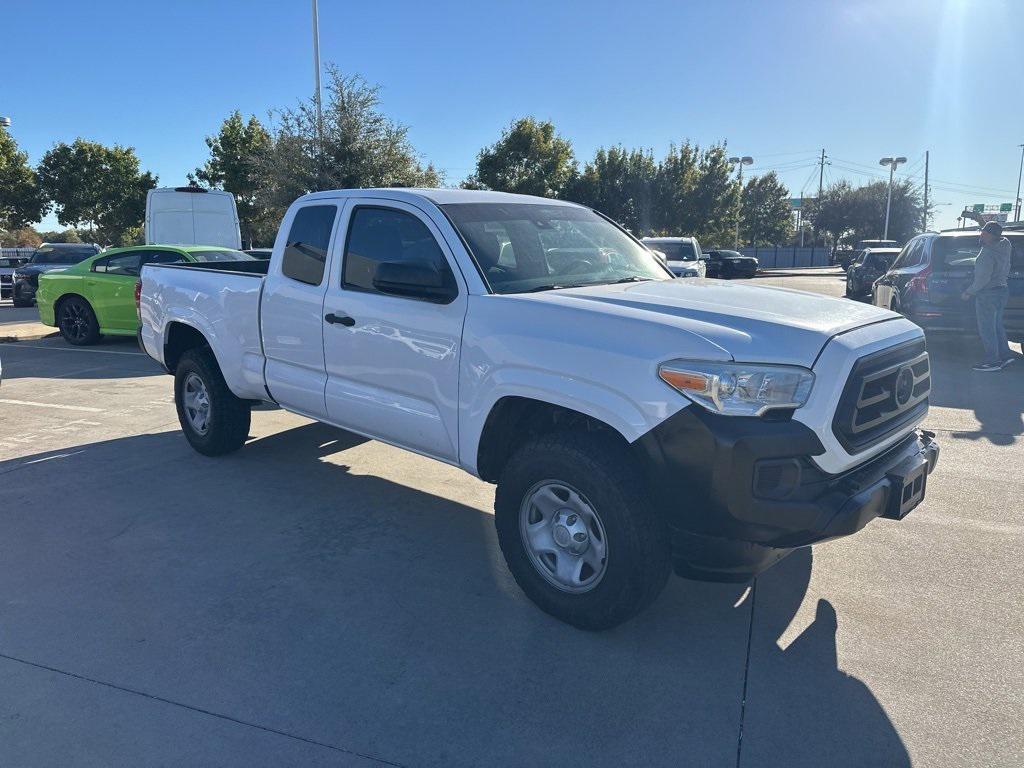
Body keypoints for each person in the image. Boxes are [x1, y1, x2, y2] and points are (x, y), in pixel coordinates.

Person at [961, 220, 1012, 372]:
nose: (981, 234)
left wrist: (968, 292)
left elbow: (982, 279)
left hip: (988, 294)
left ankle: (992, 361)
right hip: (1002, 290)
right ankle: (1005, 356)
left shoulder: (986, 254)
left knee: (987, 329)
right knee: (997, 325)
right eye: (982, 231)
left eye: (984, 233)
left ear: (992, 236)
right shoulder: (1006, 244)